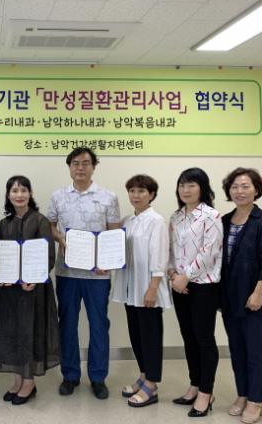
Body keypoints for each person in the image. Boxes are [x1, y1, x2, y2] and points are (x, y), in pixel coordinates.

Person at [47, 147, 120, 400]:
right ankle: (70, 375)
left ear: (93, 167)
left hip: (97, 275)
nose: (80, 167)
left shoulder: (108, 197)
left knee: (99, 325)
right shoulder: (58, 196)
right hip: (67, 272)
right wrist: (61, 239)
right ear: (69, 167)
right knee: (67, 323)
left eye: (85, 163)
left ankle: (98, 377)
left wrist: (107, 261)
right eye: (75, 163)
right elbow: (50, 226)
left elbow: (114, 233)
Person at [0, 175, 61, 405]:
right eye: (14, 191)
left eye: (23, 190)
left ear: (30, 194)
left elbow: (48, 256)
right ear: (8, 195)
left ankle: (29, 382)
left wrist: (34, 279)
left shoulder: (40, 221)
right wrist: (0, 275)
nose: (19, 195)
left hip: (34, 290)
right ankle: (18, 379)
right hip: (9, 292)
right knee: (12, 332)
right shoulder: (4, 224)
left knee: (31, 332)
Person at [220, 168, 262, 424]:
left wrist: (257, 294)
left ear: (256, 190)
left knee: (253, 350)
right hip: (230, 297)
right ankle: (242, 394)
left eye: (245, 186)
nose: (239, 191)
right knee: (236, 348)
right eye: (234, 186)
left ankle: (256, 400)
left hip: (255, 298)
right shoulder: (224, 221)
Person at [167, 167, 223, 418]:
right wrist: (172, 273)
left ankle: (206, 393)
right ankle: (195, 384)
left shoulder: (211, 216)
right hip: (179, 284)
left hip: (203, 285)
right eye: (182, 185)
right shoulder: (176, 217)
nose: (185, 190)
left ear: (202, 188)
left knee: (204, 338)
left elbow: (209, 252)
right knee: (188, 336)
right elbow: (171, 249)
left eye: (191, 185)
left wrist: (185, 276)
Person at [112, 174, 171, 408]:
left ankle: (152, 385)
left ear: (152, 195)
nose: (136, 195)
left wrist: (153, 288)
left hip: (147, 288)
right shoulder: (127, 220)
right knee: (136, 334)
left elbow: (160, 256)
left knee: (150, 337)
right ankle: (144, 375)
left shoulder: (156, 221)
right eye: (132, 191)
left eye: (141, 191)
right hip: (130, 288)